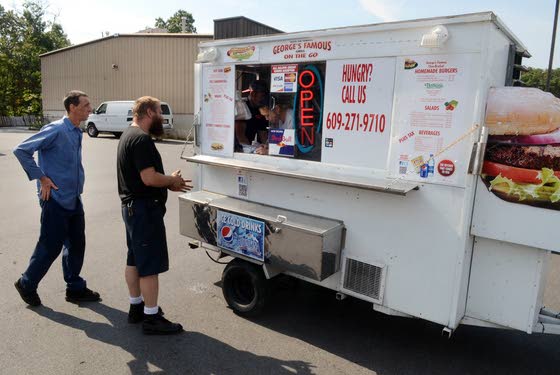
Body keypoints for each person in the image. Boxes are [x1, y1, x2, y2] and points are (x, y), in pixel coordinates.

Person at [13, 90, 101, 307]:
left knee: (77, 244)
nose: (90, 109)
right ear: (72, 107)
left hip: (73, 198)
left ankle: (75, 288)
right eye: (86, 105)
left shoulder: (76, 131)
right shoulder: (56, 129)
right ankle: (27, 283)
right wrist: (41, 178)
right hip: (55, 199)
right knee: (50, 246)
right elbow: (21, 150)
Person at [116, 96, 192, 335]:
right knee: (149, 265)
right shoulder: (141, 139)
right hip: (143, 211)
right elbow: (148, 178)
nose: (162, 116)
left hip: (132, 210)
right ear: (149, 112)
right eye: (159, 111)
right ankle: (151, 317)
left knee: (135, 260)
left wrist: (167, 180)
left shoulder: (128, 134)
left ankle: (136, 306)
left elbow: (145, 176)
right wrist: (171, 180)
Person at [235, 80, 269, 146]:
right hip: (238, 147)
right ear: (253, 94)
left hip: (249, 145)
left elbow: (263, 134)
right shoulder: (242, 108)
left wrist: (267, 148)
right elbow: (240, 137)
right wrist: (251, 151)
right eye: (262, 96)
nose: (264, 99)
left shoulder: (260, 109)